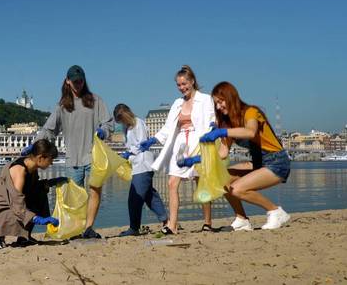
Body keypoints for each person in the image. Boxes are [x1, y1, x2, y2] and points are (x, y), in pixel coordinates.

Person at [182, 81, 290, 230]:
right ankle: (242, 219)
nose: (219, 107)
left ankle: (275, 211)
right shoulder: (227, 122)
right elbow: (223, 153)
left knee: (237, 189)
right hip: (258, 163)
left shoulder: (251, 112)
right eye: (216, 104)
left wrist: (222, 132)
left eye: (221, 102)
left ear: (231, 97)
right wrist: (197, 159)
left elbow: (250, 132)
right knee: (222, 180)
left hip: (277, 162)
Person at [25, 65, 113, 239]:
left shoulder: (96, 101)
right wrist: (33, 145)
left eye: (81, 80)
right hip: (73, 158)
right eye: (75, 81)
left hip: (93, 156)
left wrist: (104, 131)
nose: (78, 84)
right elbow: (49, 130)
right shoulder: (62, 106)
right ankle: (77, 228)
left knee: (95, 190)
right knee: (74, 197)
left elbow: (108, 122)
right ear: (67, 81)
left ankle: (88, 228)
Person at [139, 65, 215, 234]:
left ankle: (208, 222)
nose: (182, 88)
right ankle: (172, 225)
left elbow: (212, 119)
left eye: (184, 84)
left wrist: (213, 126)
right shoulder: (177, 103)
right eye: (179, 85)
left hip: (198, 142)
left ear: (192, 81)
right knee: (172, 183)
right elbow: (168, 127)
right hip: (180, 144)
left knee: (200, 183)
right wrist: (153, 139)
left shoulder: (205, 99)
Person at [0, 139, 67, 250]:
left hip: (11, 203)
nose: (51, 163)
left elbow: (33, 187)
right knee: (20, 212)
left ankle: (24, 238)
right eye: (50, 160)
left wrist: (51, 182)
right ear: (40, 158)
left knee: (39, 194)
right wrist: (37, 219)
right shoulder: (19, 170)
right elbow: (17, 204)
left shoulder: (32, 167)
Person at [113, 104, 169, 236]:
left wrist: (129, 152)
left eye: (121, 120)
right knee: (150, 196)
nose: (121, 123)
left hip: (143, 165)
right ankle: (166, 221)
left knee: (134, 198)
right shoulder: (127, 128)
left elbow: (142, 144)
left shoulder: (139, 124)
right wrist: (127, 154)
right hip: (137, 165)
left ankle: (134, 227)